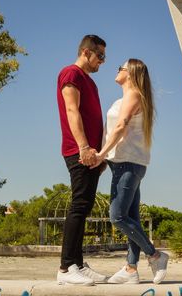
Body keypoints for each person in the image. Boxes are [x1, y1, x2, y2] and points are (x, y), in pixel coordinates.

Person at [92, 59, 169, 284]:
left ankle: (155, 255)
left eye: (121, 67)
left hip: (128, 164)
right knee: (131, 218)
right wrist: (108, 158)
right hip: (124, 163)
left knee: (117, 217)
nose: (117, 70)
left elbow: (121, 125)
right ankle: (131, 269)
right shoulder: (125, 98)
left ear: (131, 73)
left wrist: (100, 154)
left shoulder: (134, 94)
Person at [55, 34, 109, 286]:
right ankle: (66, 268)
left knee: (85, 206)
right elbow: (71, 110)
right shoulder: (71, 74)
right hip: (79, 151)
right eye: (100, 56)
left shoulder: (91, 83)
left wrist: (101, 154)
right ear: (86, 52)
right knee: (79, 205)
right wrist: (84, 146)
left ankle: (77, 264)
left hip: (92, 155)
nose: (103, 61)